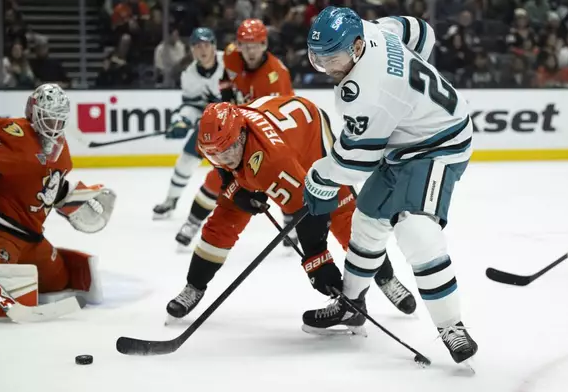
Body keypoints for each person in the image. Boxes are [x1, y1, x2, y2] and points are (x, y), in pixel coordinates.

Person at [301, 7, 478, 364]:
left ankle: (451, 326)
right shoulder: (373, 29)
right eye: (318, 59)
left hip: (439, 144)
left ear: (354, 48)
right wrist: (410, 94)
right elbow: (422, 31)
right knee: (367, 221)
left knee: (415, 229)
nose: (327, 69)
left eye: (332, 59)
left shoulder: (364, 91)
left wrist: (319, 178)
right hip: (405, 141)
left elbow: (356, 162)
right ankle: (351, 304)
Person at [165, 96, 416, 323]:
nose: (224, 158)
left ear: (241, 134)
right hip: (272, 138)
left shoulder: (275, 161)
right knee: (222, 221)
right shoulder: (217, 137)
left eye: (228, 149)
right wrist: (234, 187)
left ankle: (386, 278)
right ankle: (194, 286)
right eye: (214, 154)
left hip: (309, 137)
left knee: (343, 215)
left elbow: (307, 209)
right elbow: (223, 162)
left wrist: (318, 264)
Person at [0, 84, 115, 318]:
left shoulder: (61, 150)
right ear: (33, 111)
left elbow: (45, 183)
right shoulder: (12, 136)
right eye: (48, 119)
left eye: (58, 121)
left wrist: (73, 199)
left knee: (60, 279)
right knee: (7, 289)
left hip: (30, 237)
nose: (54, 127)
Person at [168, 19, 298, 251]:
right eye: (245, 45)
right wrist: (225, 98)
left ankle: (291, 222)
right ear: (237, 45)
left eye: (255, 44)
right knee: (215, 179)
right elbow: (225, 81)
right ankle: (192, 223)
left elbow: (278, 118)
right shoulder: (229, 57)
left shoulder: (276, 75)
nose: (250, 50)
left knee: (279, 178)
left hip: (271, 133)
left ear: (264, 44)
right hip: (239, 133)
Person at [152, 27, 224, 220]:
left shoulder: (230, 63)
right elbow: (192, 106)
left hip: (240, 125)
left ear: (214, 46)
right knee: (186, 160)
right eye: (198, 46)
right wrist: (182, 121)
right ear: (191, 50)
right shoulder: (189, 75)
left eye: (207, 45)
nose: (203, 50)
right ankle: (171, 200)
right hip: (211, 127)